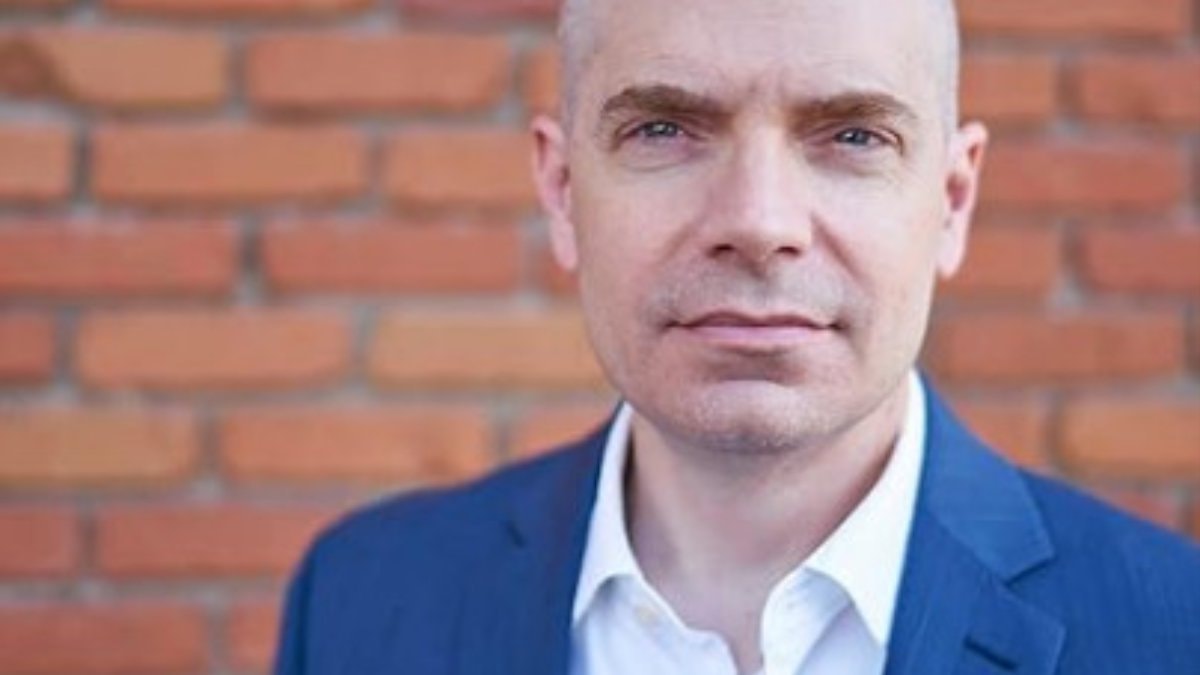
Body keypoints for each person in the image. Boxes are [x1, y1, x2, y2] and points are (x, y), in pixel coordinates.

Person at [273, 0, 1200, 673]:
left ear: (951, 202)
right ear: (562, 192)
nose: (758, 222)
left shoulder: (1173, 633)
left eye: (853, 137)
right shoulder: (363, 603)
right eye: (664, 128)